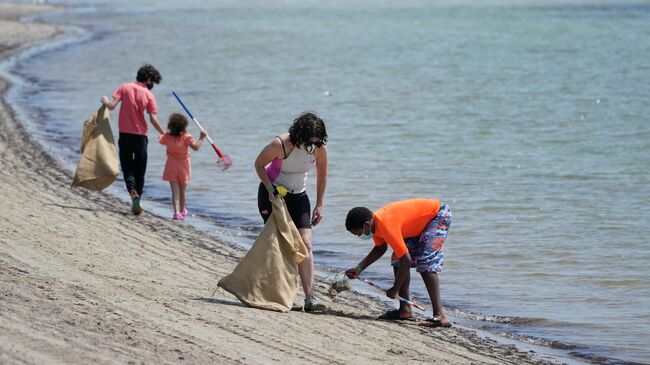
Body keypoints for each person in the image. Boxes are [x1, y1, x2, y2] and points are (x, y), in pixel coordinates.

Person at [254, 112, 328, 312]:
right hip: (273, 194)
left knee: (305, 243)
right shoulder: (280, 144)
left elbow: (322, 175)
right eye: (309, 140)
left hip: (299, 197)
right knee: (279, 244)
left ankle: (310, 298)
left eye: (316, 140)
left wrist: (319, 204)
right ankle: (276, 294)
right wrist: (270, 190)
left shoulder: (319, 147)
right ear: (299, 134)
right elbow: (258, 165)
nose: (313, 145)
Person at [344, 198, 452, 327]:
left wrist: (395, 288)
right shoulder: (374, 226)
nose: (359, 236)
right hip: (418, 224)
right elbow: (380, 248)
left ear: (366, 225)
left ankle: (440, 315)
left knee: (425, 262)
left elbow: (406, 260)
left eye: (358, 233)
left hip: (437, 215)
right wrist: (358, 269)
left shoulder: (386, 224)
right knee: (397, 259)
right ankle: (405, 310)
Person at [101, 64, 165, 215]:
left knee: (127, 167)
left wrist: (104, 100)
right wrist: (164, 133)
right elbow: (153, 118)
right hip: (141, 136)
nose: (152, 85)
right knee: (140, 170)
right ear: (149, 79)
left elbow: (111, 106)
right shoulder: (149, 95)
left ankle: (132, 193)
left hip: (125, 135)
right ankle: (138, 200)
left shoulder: (124, 87)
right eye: (153, 82)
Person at [158, 113, 206, 221]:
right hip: (183, 166)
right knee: (182, 191)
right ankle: (183, 210)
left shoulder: (167, 137)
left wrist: (165, 134)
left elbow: (160, 139)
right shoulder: (186, 138)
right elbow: (196, 147)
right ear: (184, 127)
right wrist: (202, 137)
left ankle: (176, 212)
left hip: (171, 166)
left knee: (174, 191)